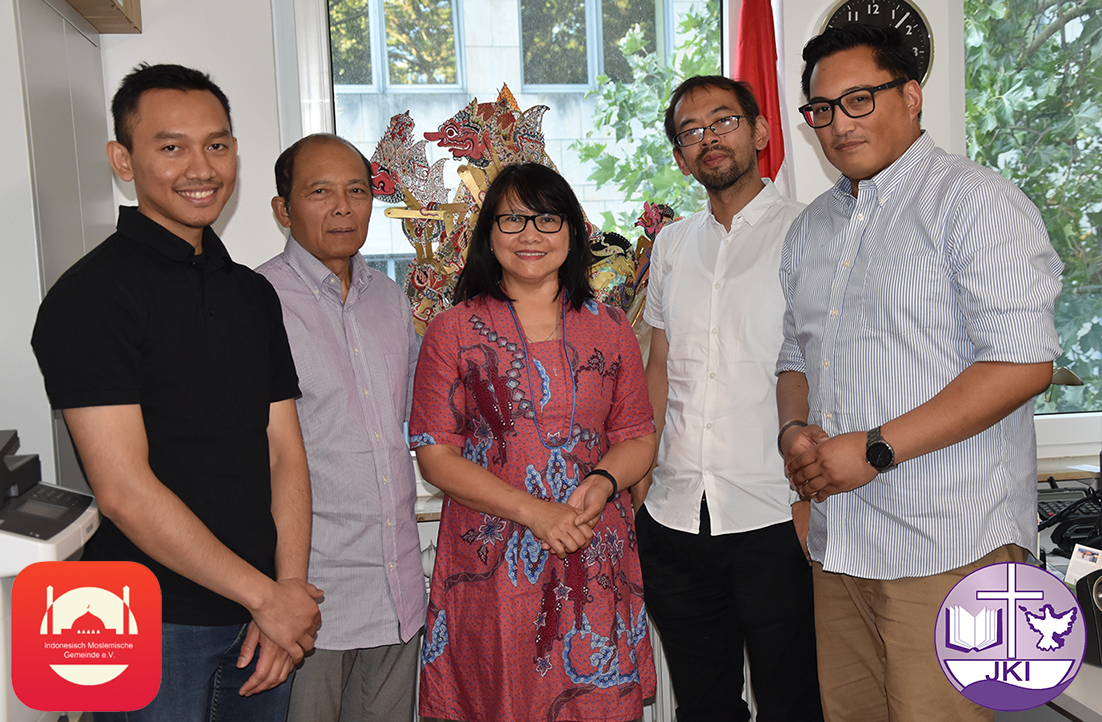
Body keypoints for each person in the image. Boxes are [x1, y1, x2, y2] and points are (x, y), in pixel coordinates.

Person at [776, 25, 1063, 722]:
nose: (839, 124)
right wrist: (793, 433)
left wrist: (875, 449)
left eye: (860, 99)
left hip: (951, 544)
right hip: (841, 542)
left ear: (910, 96)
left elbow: (1023, 364)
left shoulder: (974, 200)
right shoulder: (811, 228)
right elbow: (795, 357)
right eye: (822, 109)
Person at [30, 63, 321, 720]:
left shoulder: (252, 294)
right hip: (142, 621)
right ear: (122, 160)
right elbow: (123, 490)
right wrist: (268, 599)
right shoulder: (90, 298)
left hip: (262, 622)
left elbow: (283, 451)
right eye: (171, 147)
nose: (201, 168)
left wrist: (288, 590)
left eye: (216, 145)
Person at [410, 162, 657, 721]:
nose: (530, 235)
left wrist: (602, 481)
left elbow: (636, 436)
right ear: (489, 234)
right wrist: (534, 512)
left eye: (547, 219)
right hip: (492, 563)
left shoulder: (610, 325)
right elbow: (436, 455)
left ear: (572, 232)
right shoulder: (453, 329)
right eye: (513, 220)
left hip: (590, 547)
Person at [636, 75, 822, 722]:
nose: (708, 138)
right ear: (680, 156)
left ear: (761, 131)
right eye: (690, 131)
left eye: (723, 121)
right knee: (704, 709)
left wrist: (811, 501)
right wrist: (642, 482)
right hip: (675, 519)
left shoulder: (809, 231)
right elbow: (661, 366)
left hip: (775, 516)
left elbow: (828, 373)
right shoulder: (671, 244)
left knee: (793, 705)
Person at [255, 133, 426, 721]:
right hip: (309, 599)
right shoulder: (255, 301)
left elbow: (411, 420)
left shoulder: (390, 299)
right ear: (283, 209)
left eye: (357, 191)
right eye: (320, 192)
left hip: (397, 590)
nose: (343, 208)